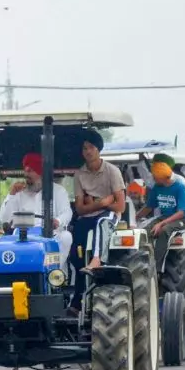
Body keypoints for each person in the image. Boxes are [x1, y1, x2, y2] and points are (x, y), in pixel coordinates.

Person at [66, 130, 126, 307]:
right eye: (84, 148)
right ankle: (76, 297)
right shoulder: (79, 174)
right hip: (89, 216)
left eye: (91, 147)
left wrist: (96, 203)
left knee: (101, 222)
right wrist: (101, 202)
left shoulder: (112, 171)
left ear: (98, 149)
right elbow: (80, 209)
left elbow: (120, 206)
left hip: (109, 215)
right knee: (75, 242)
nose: (88, 151)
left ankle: (97, 259)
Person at [0, 152, 73, 258]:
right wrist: (11, 195)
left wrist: (58, 221)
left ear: (41, 173)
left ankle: (54, 273)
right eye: (25, 170)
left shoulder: (58, 191)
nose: (26, 174)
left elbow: (67, 212)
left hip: (51, 235)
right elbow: (4, 218)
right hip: (22, 237)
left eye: (31, 171)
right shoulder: (18, 192)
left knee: (66, 237)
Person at [137, 152, 185, 274]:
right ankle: (144, 261)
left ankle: (156, 268)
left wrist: (161, 224)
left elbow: (182, 212)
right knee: (144, 231)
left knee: (164, 231)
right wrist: (135, 217)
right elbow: (149, 207)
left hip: (184, 218)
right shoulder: (157, 188)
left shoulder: (179, 187)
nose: (153, 179)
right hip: (166, 217)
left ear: (163, 177)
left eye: (155, 177)